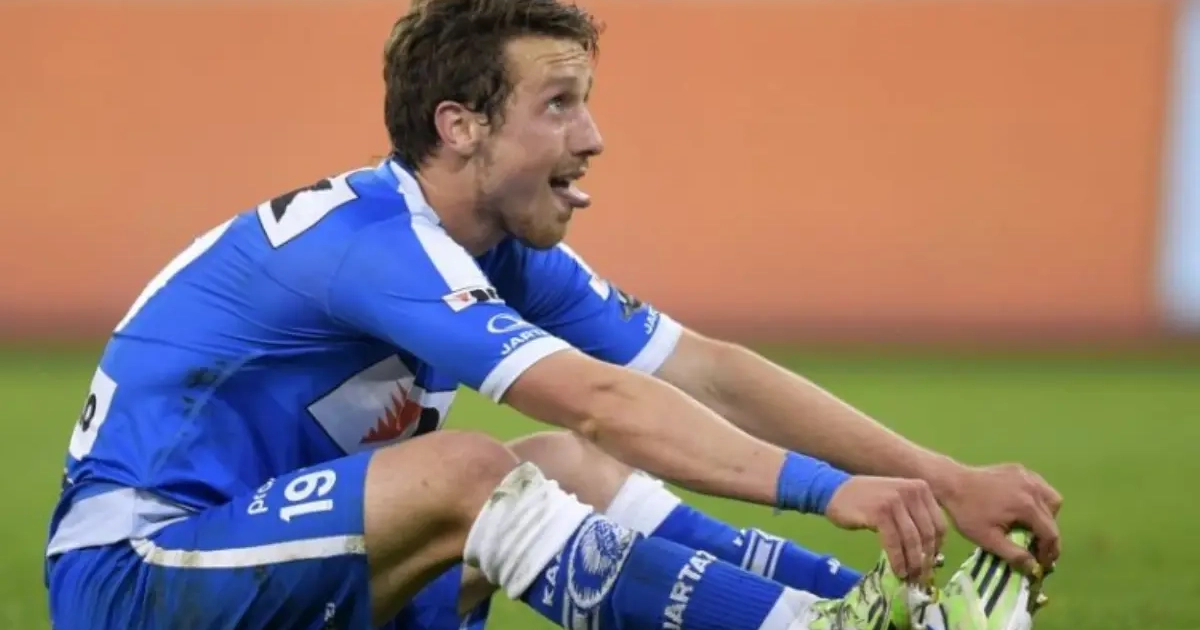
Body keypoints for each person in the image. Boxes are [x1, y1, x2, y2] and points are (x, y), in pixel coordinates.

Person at [43, 1, 1061, 629]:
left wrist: (942, 477)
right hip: (141, 579)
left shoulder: (498, 247)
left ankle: (887, 614)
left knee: (566, 469)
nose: (595, 135)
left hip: (280, 566)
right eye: (560, 103)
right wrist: (832, 492)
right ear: (461, 126)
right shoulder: (370, 244)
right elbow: (605, 400)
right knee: (470, 470)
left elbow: (703, 371)